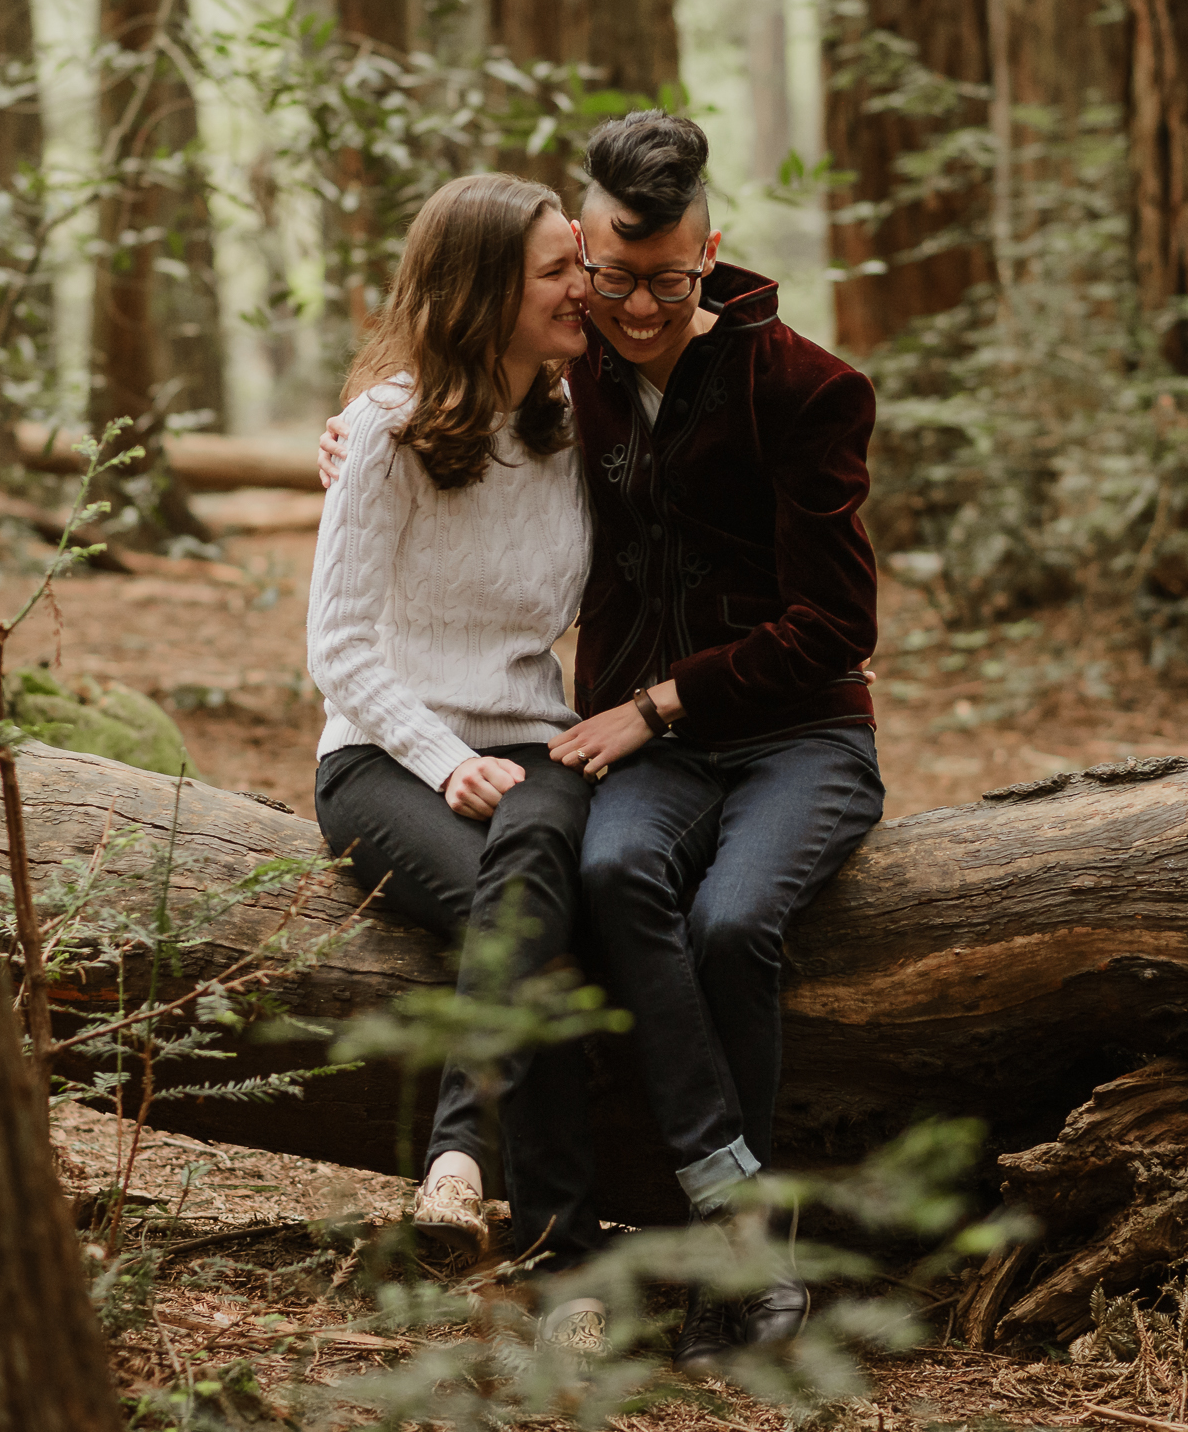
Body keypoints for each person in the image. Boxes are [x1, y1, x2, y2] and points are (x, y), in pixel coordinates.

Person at [322, 111, 883, 1373]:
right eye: (599, 275)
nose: (626, 307)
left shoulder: (788, 387)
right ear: (572, 255)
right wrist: (358, 433)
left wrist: (659, 703)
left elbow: (837, 622)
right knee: (597, 883)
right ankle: (558, 1238)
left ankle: (732, 1235)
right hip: (578, 754)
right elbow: (436, 395)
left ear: (711, 253)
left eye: (663, 282)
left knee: (728, 924)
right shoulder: (561, 390)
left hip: (745, 735)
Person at [304, 171, 609, 1346]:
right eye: (556, 271)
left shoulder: (579, 425)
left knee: (533, 851)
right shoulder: (385, 432)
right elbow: (338, 651)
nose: (583, 289)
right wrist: (442, 761)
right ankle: (573, 1272)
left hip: (539, 748)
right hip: (383, 754)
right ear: (486, 292)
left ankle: (459, 1154)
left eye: (580, 263)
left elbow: (694, 320)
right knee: (533, 905)